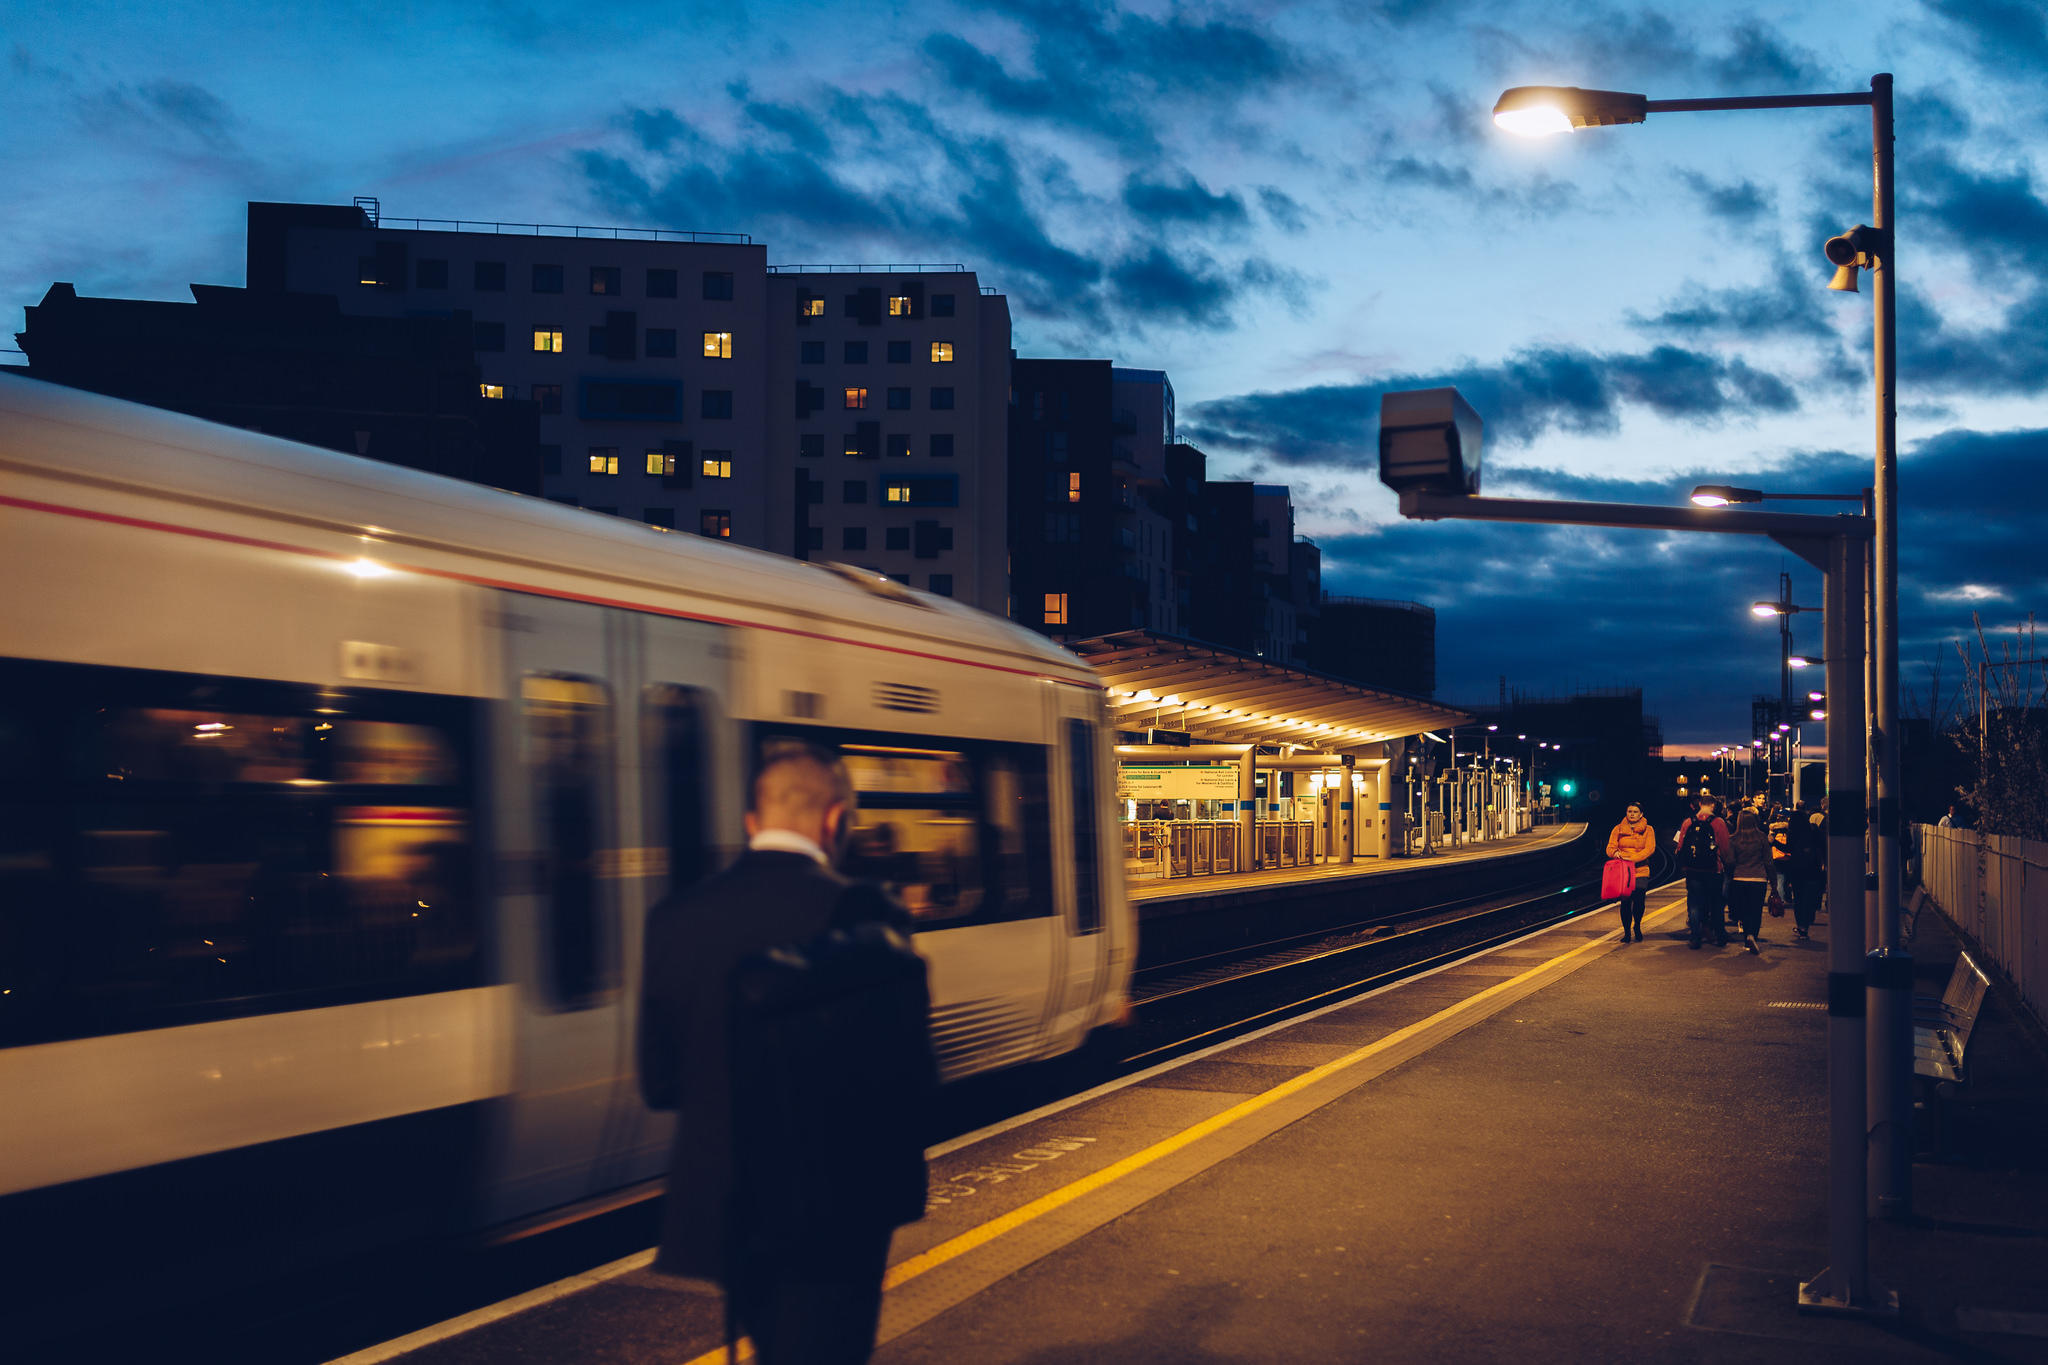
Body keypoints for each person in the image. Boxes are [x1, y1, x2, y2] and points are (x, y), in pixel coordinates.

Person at [638, 744, 924, 1365]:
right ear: (835, 819)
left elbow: (659, 1083)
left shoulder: (673, 918)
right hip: (834, 1207)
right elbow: (907, 1078)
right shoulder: (863, 911)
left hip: (725, 1203)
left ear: (752, 821)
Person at [1672, 795, 1732, 949]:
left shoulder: (1688, 822)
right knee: (1716, 904)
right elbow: (1725, 847)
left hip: (1692, 870)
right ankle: (1720, 936)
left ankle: (1695, 937)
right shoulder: (1718, 822)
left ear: (1700, 804)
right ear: (1713, 805)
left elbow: (1680, 846)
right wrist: (1727, 864)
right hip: (1713, 869)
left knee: (1694, 903)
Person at [1604, 801, 1656, 943]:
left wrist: (1631, 859)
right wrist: (1615, 853)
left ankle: (1637, 925)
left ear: (1641, 814)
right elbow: (1610, 847)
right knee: (1625, 902)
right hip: (1623, 871)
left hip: (1640, 870)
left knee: (1639, 900)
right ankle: (1627, 932)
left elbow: (1650, 849)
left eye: (1635, 812)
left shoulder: (1649, 830)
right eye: (1629, 811)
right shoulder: (1618, 829)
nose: (1632, 814)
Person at [1726, 805, 1770, 954]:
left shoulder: (1733, 839)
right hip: (1759, 879)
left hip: (1739, 878)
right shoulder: (1762, 837)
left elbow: (1730, 861)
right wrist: (1774, 883)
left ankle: (1747, 938)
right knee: (1756, 910)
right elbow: (1768, 862)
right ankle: (1753, 936)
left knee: (1744, 910)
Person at [1785, 797, 1827, 940]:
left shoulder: (1793, 833)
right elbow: (1823, 846)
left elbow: (1788, 849)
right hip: (1813, 868)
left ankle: (1801, 926)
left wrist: (1774, 843)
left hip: (1797, 869)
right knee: (1809, 897)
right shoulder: (1813, 830)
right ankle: (1806, 923)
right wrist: (1824, 863)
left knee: (1798, 898)